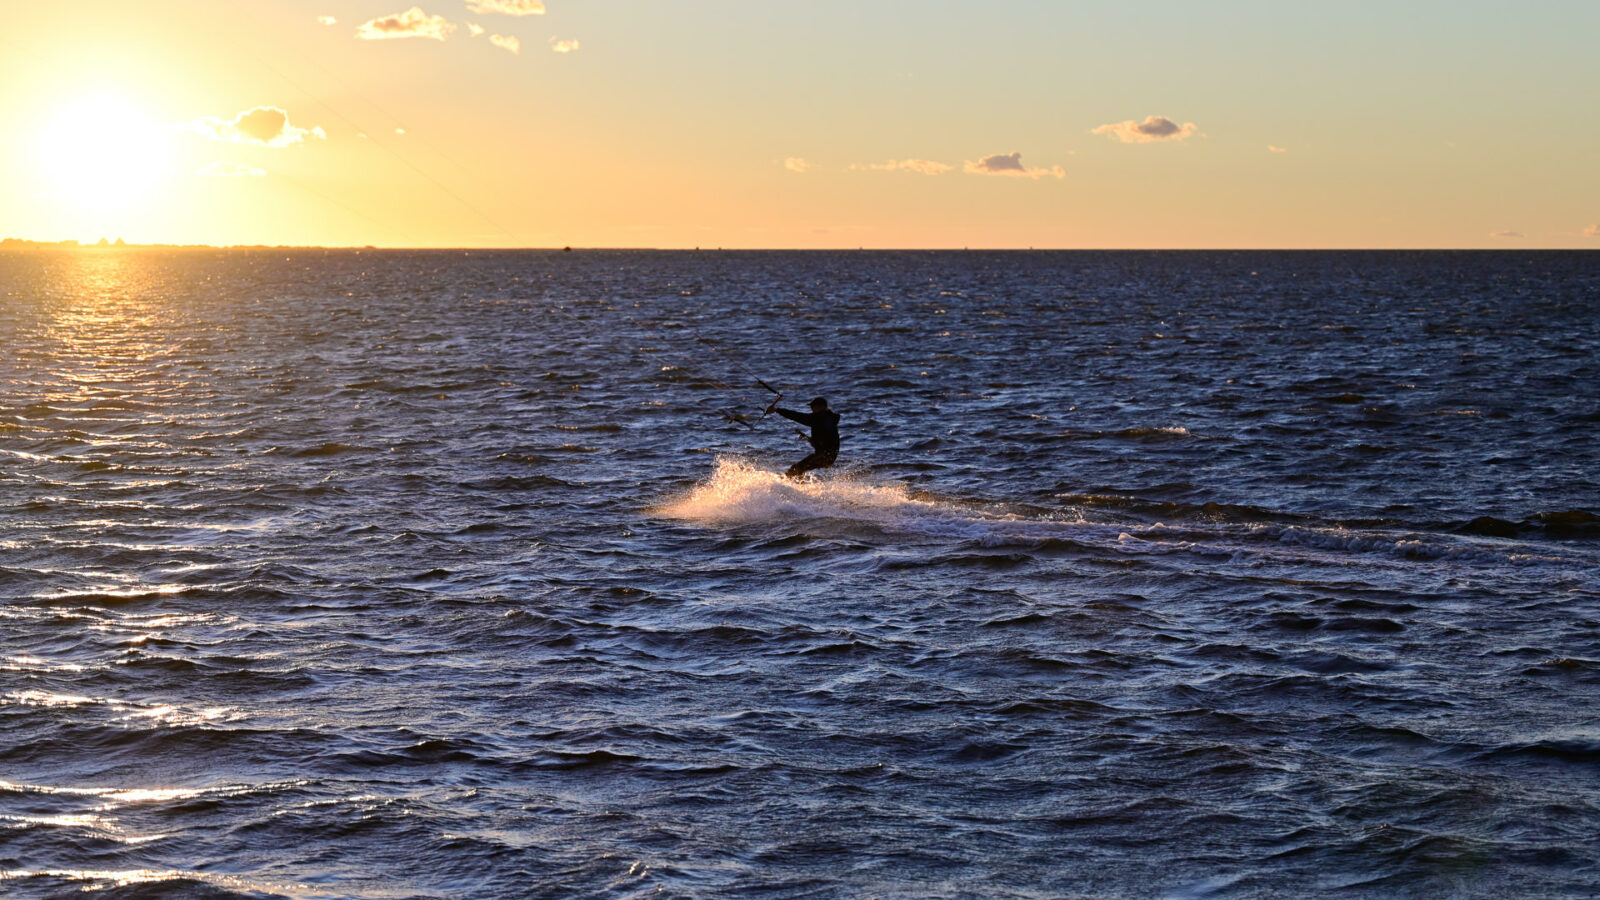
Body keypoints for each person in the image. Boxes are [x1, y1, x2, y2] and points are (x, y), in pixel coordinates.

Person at [765, 396, 840, 479]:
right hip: (828, 455)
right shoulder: (827, 418)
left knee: (795, 469)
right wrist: (810, 439)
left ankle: (792, 489)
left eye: (813, 406)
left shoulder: (821, 417)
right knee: (798, 469)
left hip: (824, 455)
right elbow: (827, 439)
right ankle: (800, 488)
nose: (811, 409)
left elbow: (798, 417)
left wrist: (777, 410)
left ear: (821, 407)